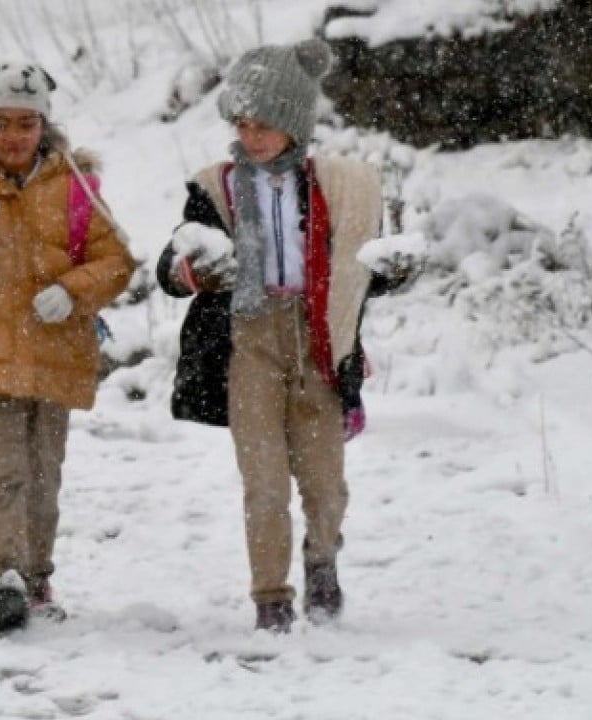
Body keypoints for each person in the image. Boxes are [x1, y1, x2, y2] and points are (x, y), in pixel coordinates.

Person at [155, 40, 418, 633]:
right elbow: (173, 267)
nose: (251, 137)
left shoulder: (342, 188)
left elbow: (358, 274)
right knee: (264, 484)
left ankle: (321, 558)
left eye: (265, 124)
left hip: (317, 340)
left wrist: (395, 271)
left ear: (295, 123)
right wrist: (192, 269)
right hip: (249, 343)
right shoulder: (213, 188)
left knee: (325, 482)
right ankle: (270, 597)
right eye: (242, 124)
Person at [0, 59, 136, 636]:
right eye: (0, 123)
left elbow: (117, 262)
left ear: (44, 125)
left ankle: (37, 578)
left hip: (56, 356)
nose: (13, 136)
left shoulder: (75, 186)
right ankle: (5, 579)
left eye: (25, 123)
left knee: (44, 474)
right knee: (6, 471)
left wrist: (73, 289)